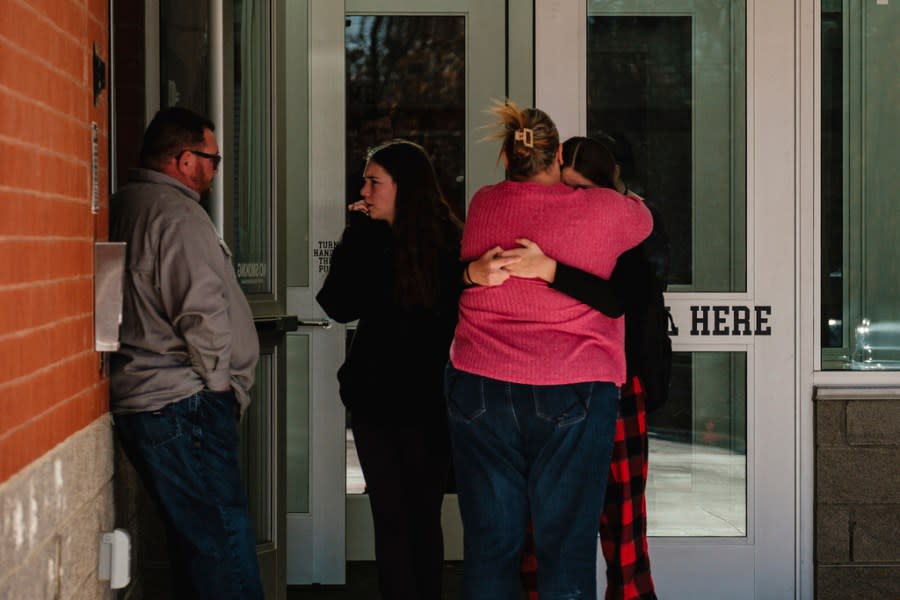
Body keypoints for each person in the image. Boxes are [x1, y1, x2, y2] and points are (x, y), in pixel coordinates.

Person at [446, 102, 652, 600]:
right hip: (571, 386)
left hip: (479, 386)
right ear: (557, 155)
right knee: (566, 547)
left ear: (505, 156)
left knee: (491, 546)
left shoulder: (483, 203)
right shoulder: (600, 209)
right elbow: (643, 217)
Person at [489, 136, 667, 600]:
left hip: (617, 385)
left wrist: (549, 269)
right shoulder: (551, 222)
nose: (571, 201)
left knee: (621, 521)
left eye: (579, 190)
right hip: (553, 382)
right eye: (567, 191)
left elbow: (618, 301)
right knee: (543, 516)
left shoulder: (628, 227)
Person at [109, 107, 263, 599]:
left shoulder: (127, 203)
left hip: (157, 401)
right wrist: (221, 390)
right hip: (184, 403)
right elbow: (201, 314)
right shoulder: (176, 214)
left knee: (199, 547)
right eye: (213, 160)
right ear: (183, 159)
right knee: (223, 547)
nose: (216, 171)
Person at [316, 140, 463, 600]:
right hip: (377, 405)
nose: (363, 190)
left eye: (373, 181)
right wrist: (356, 233)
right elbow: (337, 305)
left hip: (430, 404)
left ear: (404, 187)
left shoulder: (449, 243)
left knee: (420, 516)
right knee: (392, 518)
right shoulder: (370, 237)